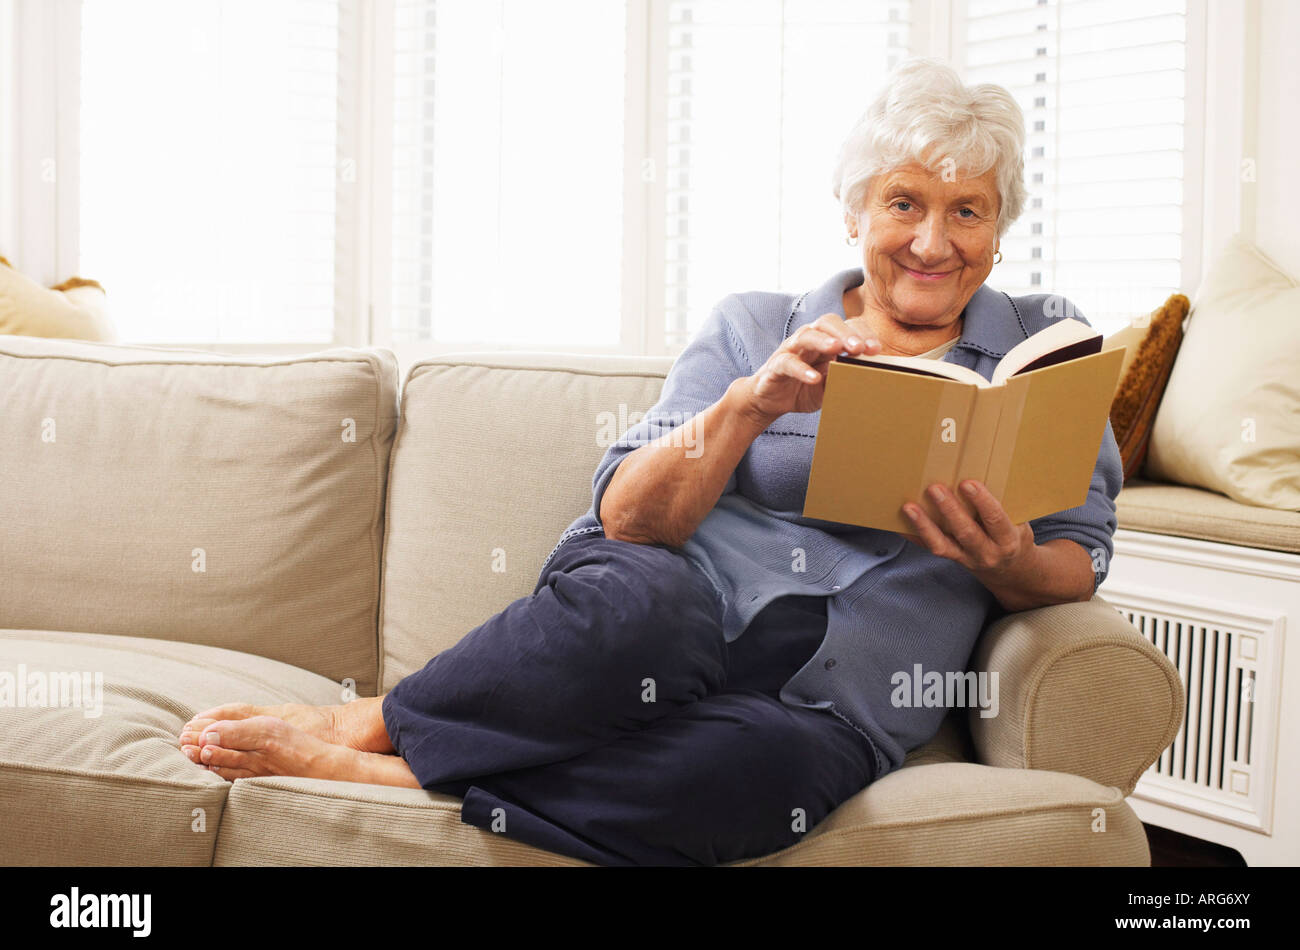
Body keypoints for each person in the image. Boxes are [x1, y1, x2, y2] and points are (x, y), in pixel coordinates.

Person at [176, 56, 1122, 866]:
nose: (931, 241)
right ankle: (365, 724)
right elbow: (630, 517)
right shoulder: (755, 324)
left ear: (1000, 234)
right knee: (642, 609)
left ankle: (393, 772)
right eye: (904, 203)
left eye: (967, 212)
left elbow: (1081, 549)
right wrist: (750, 404)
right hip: (670, 611)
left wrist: (1006, 565)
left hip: (829, 703)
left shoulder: (1046, 350)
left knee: (761, 772)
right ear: (853, 213)